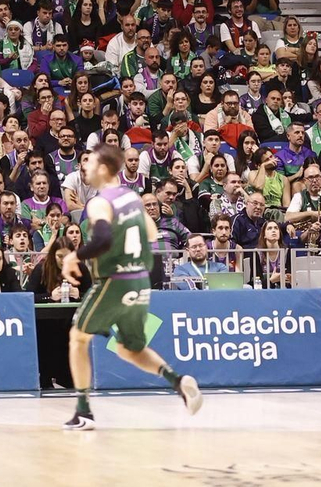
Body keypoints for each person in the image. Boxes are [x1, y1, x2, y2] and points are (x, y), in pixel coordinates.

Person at [61, 143, 202, 430]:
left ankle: (83, 411)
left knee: (78, 337)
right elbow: (151, 233)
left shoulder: (100, 203)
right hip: (141, 280)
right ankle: (177, 380)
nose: (84, 167)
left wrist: (74, 256)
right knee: (129, 348)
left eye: (88, 163)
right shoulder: (133, 198)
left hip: (114, 280)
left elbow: (101, 240)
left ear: (102, 169)